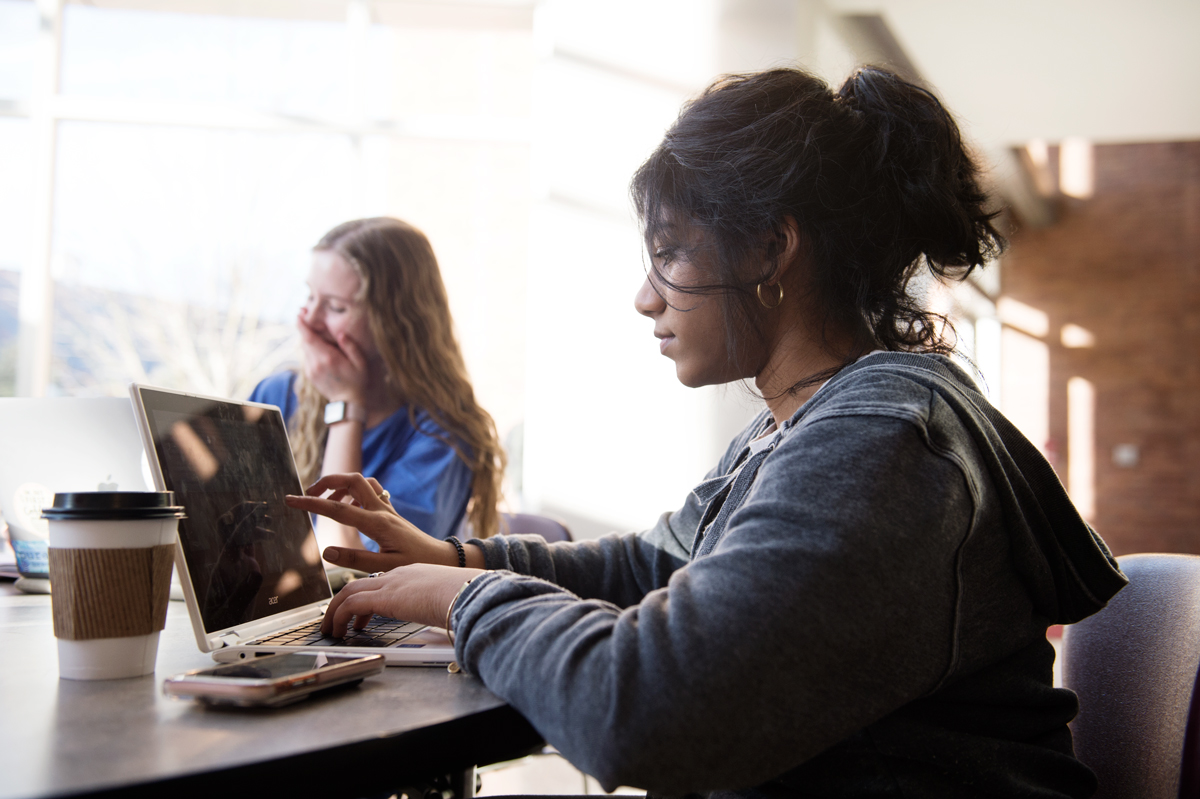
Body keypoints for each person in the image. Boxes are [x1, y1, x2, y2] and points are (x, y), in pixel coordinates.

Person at [286, 68, 1126, 798]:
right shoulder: (798, 422)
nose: (646, 297)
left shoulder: (881, 445)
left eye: (671, 254)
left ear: (770, 250)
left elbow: (650, 710)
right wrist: (449, 556)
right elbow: (654, 564)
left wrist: (465, 600)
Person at [253, 217, 505, 552]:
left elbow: (351, 566)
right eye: (310, 297)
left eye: (336, 307)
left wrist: (345, 404)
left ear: (396, 321)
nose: (309, 321)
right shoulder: (278, 395)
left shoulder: (443, 436)